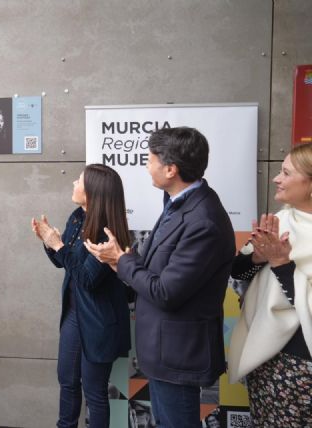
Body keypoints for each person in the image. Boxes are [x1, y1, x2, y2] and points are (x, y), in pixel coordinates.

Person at [85, 127, 236, 428]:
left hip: (178, 355)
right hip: (164, 351)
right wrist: (121, 261)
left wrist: (121, 260)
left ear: (170, 169)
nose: (146, 166)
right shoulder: (178, 204)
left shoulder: (202, 220)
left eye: (149, 160)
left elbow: (166, 291)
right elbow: (158, 270)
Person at [32, 164, 131, 428]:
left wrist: (58, 245)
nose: (74, 183)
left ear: (93, 192)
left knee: (94, 392)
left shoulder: (108, 232)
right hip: (74, 314)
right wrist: (49, 243)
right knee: (67, 381)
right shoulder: (77, 217)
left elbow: (88, 279)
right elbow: (64, 262)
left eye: (79, 180)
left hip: (99, 321)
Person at [228, 143, 312, 426]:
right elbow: (239, 272)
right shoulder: (281, 220)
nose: (276, 178)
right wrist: (258, 257)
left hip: (300, 366)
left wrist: (281, 263)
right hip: (263, 354)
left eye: (286, 173)